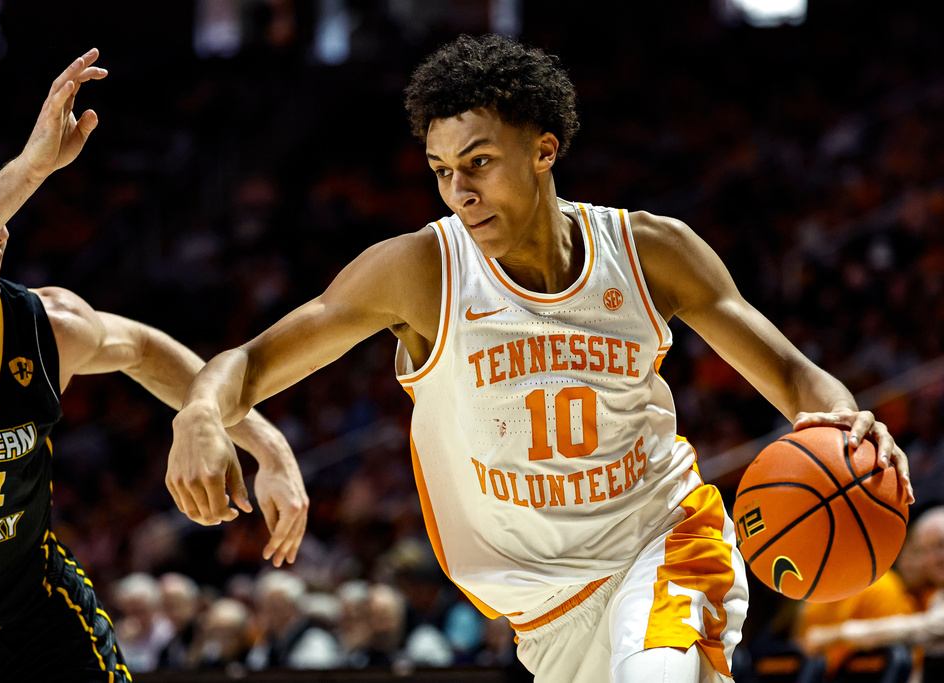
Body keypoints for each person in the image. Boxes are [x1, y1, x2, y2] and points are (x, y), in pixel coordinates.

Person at [167, 34, 914, 683]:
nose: (459, 191)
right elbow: (251, 363)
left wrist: (844, 419)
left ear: (544, 151)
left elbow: (789, 373)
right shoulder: (421, 272)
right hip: (544, 609)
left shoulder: (650, 252)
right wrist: (199, 410)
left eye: (479, 162)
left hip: (663, 542)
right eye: (440, 169)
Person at [0, 49, 308, 682]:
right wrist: (30, 167)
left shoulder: (47, 326)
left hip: (31, 624)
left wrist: (266, 445)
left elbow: (146, 351)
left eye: (1, 209)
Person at [800, 506, 944, 677]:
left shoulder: (883, 586)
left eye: (941, 545)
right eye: (927, 550)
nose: (933, 558)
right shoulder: (934, 596)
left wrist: (838, 634)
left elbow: (925, 629)